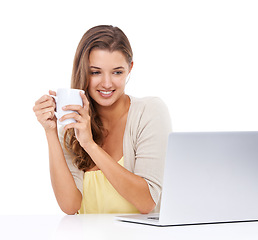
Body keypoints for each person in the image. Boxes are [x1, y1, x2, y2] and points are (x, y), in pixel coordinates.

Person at [33, 25, 172, 215]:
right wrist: (50, 131)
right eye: (96, 72)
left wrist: (90, 145)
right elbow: (70, 206)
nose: (107, 83)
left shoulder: (149, 112)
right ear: (83, 71)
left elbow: (147, 202)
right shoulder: (72, 124)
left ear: (130, 69)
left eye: (117, 72)